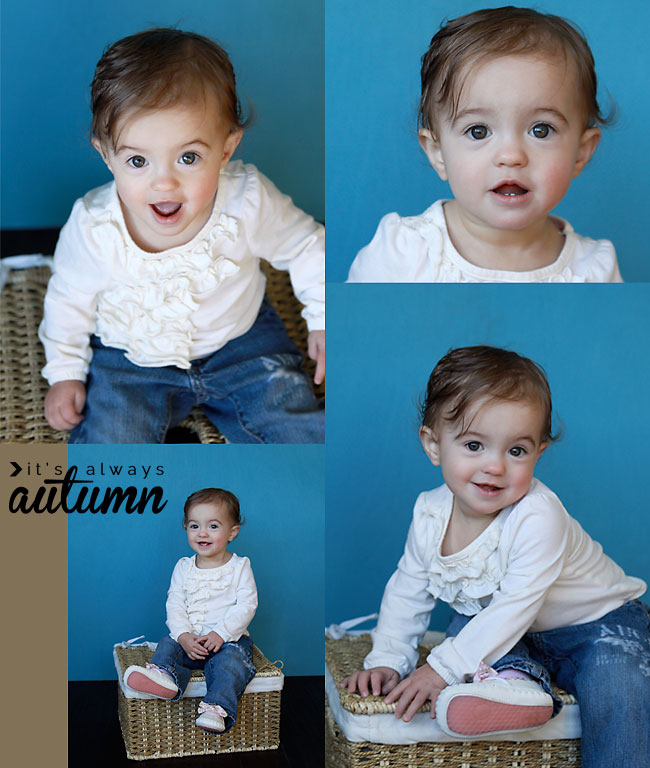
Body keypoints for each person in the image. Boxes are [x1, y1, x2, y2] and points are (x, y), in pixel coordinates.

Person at [342, 346, 648, 768]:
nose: (495, 466)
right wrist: (389, 659)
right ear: (433, 445)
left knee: (621, 682)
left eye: (516, 451)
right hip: (515, 631)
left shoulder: (539, 514)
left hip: (597, 626)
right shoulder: (430, 513)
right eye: (473, 445)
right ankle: (516, 685)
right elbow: (409, 589)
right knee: (466, 620)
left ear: (538, 452)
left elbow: (516, 605)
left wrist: (442, 669)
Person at [40, 28, 324, 443]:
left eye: (188, 158)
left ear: (226, 149)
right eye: (138, 160)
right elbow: (68, 300)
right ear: (106, 154)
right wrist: (64, 373)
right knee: (113, 444)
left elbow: (305, 246)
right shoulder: (94, 226)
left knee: (296, 431)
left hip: (241, 342)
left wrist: (322, 319)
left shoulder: (245, 200)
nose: (164, 184)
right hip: (129, 359)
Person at [348, 7, 622, 282]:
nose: (511, 156)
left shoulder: (594, 271)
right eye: (478, 131)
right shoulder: (403, 254)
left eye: (541, 130)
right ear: (438, 153)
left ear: (581, 152)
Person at [124, 488, 257, 734]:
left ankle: (215, 708)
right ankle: (165, 678)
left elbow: (247, 605)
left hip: (227, 641)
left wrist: (221, 633)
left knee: (231, 664)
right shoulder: (184, 567)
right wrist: (184, 635)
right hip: (191, 641)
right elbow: (174, 603)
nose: (202, 533)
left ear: (233, 532)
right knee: (169, 643)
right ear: (185, 528)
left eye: (213, 526)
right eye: (194, 526)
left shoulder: (240, 566)